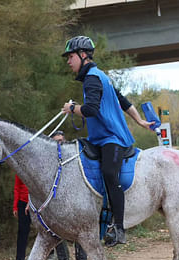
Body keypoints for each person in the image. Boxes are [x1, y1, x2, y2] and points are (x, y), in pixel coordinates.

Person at [61, 35, 154, 246]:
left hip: (112, 138)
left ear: (83, 55)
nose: (68, 61)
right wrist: (139, 120)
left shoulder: (94, 78)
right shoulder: (98, 76)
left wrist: (72, 108)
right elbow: (122, 101)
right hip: (99, 138)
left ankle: (119, 228)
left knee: (110, 174)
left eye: (71, 56)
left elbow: (91, 110)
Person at [47, 130, 88, 260]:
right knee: (57, 232)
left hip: (77, 201)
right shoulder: (50, 162)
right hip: (58, 203)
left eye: (61, 140)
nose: (60, 143)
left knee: (81, 232)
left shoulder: (74, 156)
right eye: (56, 141)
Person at [7, 175, 31, 260]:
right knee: (22, 231)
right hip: (22, 202)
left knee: (46, 229)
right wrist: (15, 206)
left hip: (36, 202)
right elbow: (17, 188)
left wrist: (31, 202)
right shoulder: (19, 171)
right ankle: (19, 259)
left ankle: (52, 254)